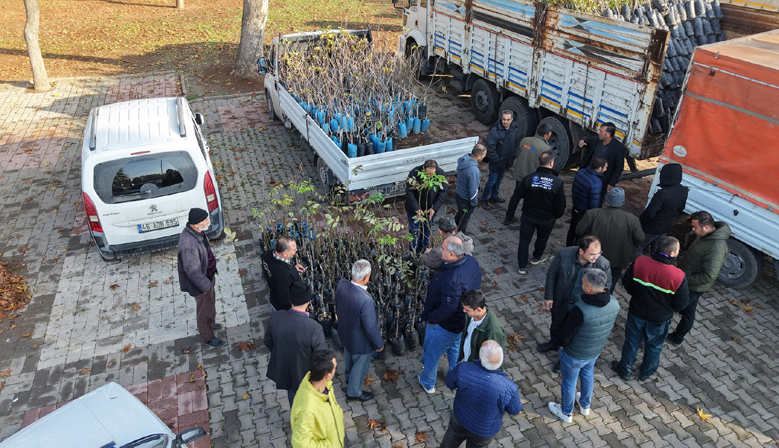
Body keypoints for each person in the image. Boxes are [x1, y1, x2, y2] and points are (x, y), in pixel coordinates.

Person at [612, 236, 690, 381]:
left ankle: (624, 370)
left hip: (637, 311)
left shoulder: (640, 262)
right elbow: (682, 303)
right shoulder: (678, 276)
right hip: (659, 319)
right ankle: (646, 373)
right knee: (654, 346)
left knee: (631, 342)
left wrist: (638, 296)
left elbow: (627, 283)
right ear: (672, 253)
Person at [548, 269, 619, 423]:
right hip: (594, 350)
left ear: (589, 288)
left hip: (575, 353)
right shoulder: (614, 302)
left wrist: (561, 346)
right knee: (587, 374)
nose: (581, 284)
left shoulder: (580, 309)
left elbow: (567, 332)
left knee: (569, 381)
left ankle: (566, 412)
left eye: (583, 282)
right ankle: (585, 405)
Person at [537, 236, 612, 374]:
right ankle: (554, 343)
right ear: (581, 251)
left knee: (572, 333)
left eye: (598, 253)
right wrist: (548, 296)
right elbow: (552, 274)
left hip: (581, 307)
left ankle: (563, 356)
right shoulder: (564, 254)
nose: (596, 257)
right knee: (556, 324)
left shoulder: (603, 264)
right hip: (561, 300)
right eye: (592, 254)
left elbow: (606, 287)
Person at [419, 237, 482, 394]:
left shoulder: (453, 280)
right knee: (454, 348)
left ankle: (427, 382)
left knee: (433, 353)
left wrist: (431, 318)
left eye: (443, 249)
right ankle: (455, 375)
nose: (440, 250)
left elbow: (448, 309)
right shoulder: (471, 262)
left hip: (447, 325)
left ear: (452, 254)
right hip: (461, 323)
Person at [666, 211, 731, 348]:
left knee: (668, 310)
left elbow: (709, 276)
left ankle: (662, 336)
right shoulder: (706, 236)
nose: (693, 230)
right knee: (689, 311)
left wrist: (684, 279)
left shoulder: (716, 247)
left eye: (695, 227)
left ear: (707, 227)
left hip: (692, 286)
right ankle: (677, 338)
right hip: (688, 281)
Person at [441, 340, 522, 448]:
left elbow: (449, 383)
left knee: (450, 441)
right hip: (485, 430)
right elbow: (514, 410)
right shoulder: (509, 387)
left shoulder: (463, 369)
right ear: (501, 361)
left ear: (480, 357)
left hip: (460, 418)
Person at [264, 284, 327, 406]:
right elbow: (321, 358)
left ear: (290, 299)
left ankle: (296, 419)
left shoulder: (276, 317)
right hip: (306, 376)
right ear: (308, 302)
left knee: (293, 396)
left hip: (286, 372)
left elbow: (268, 342)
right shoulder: (314, 328)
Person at [576, 187, 644, 294]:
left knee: (587, 277)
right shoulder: (632, 219)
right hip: (618, 259)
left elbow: (579, 230)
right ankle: (604, 299)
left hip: (592, 256)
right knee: (610, 282)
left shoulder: (592, 213)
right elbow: (640, 238)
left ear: (606, 201)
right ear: (622, 202)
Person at [335, 260, 384, 402]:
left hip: (345, 332)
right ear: (366, 277)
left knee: (349, 356)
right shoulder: (365, 300)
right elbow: (370, 327)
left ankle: (348, 378)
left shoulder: (342, 284)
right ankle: (354, 392)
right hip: (360, 341)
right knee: (360, 366)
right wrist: (378, 344)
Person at [177, 208, 225, 347]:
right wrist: (206, 286)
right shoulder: (189, 246)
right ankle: (207, 336)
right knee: (204, 310)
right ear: (196, 224)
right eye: (205, 220)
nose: (209, 221)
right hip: (201, 284)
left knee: (209, 305)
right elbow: (192, 272)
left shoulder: (196, 232)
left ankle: (210, 323)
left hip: (207, 278)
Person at [515, 151, 566, 274]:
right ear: (551, 163)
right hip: (546, 219)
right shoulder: (557, 182)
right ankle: (536, 257)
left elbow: (518, 195)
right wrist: (556, 216)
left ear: (539, 162)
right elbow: (560, 204)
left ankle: (522, 267)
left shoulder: (530, 178)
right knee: (542, 239)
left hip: (528, 216)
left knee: (524, 241)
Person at [290, 349, 345, 448]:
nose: (336, 369)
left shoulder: (323, 384)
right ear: (328, 376)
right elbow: (300, 443)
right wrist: (329, 445)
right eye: (335, 368)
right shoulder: (307, 409)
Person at [503, 122, 553, 225]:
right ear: (546, 135)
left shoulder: (525, 140)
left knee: (516, 196)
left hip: (520, 174)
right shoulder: (546, 149)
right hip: (532, 178)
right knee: (529, 199)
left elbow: (518, 154)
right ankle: (525, 219)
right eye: (550, 134)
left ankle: (508, 217)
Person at [638, 163, 688, 255]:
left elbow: (650, 213)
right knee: (658, 250)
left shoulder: (662, 193)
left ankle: (638, 264)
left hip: (652, 228)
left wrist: (641, 219)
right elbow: (681, 208)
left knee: (638, 246)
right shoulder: (683, 190)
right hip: (666, 226)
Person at [578, 122, 625, 206]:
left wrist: (611, 183)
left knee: (596, 201)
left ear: (608, 134)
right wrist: (582, 142)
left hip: (602, 180)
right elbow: (588, 143)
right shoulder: (596, 140)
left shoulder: (618, 148)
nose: (598, 133)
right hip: (589, 174)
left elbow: (619, 167)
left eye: (601, 132)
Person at [405, 159, 448, 252]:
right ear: (423, 168)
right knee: (414, 231)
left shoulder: (441, 174)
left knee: (426, 231)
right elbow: (409, 193)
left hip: (429, 211)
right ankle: (412, 251)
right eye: (427, 174)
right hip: (414, 210)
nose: (429, 177)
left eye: (432, 174)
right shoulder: (414, 173)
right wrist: (417, 209)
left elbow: (443, 192)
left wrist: (434, 208)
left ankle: (422, 250)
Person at [480, 111, 519, 208]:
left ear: (512, 120)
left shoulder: (514, 129)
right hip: (497, 162)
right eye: (504, 119)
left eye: (508, 119)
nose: (505, 122)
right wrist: (497, 160)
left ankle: (494, 197)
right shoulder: (494, 131)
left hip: (506, 162)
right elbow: (490, 149)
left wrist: (513, 156)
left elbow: (516, 143)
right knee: (492, 181)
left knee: (499, 180)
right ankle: (484, 199)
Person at [566, 157, 608, 246]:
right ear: (599, 168)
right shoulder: (596, 182)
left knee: (572, 230)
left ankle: (568, 247)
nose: (606, 169)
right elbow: (594, 203)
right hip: (585, 212)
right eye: (605, 167)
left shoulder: (580, 172)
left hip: (576, 206)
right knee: (582, 234)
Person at [457, 290, 505, 363]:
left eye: (467, 309)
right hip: (466, 361)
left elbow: (493, 360)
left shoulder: (493, 330)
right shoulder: (471, 315)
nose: (464, 311)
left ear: (478, 310)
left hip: (475, 368)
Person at [261, 236, 307, 312]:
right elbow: (285, 298)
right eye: (294, 249)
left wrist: (293, 268)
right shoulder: (284, 274)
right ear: (285, 253)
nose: (296, 250)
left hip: (273, 297)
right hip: (283, 309)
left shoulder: (267, 254)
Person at [455, 144, 487, 234]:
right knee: (464, 221)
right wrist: (474, 202)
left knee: (460, 215)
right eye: (484, 155)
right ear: (478, 156)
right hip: (466, 199)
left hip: (459, 194)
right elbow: (473, 189)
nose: (485, 156)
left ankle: (450, 229)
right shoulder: (473, 170)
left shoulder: (463, 161)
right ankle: (460, 238)